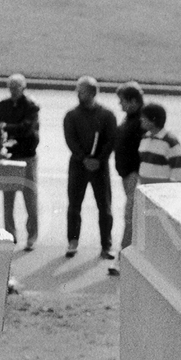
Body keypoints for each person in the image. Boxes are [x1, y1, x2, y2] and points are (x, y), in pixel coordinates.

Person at [63, 76, 117, 259]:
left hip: (100, 167)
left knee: (105, 206)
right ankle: (72, 241)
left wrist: (99, 160)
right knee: (74, 205)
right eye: (78, 91)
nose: (79, 94)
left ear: (93, 93)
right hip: (78, 165)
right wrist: (83, 158)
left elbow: (110, 141)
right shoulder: (71, 116)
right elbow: (71, 140)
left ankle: (106, 245)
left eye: (83, 91)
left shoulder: (107, 115)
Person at [0, 73, 40, 251]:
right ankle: (9, 234)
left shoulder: (31, 107)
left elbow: (27, 129)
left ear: (23, 88)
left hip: (27, 156)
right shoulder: (2, 105)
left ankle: (32, 236)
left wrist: (7, 127)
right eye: (10, 88)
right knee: (8, 197)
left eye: (16, 88)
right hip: (9, 156)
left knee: (30, 197)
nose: (13, 91)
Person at [111, 81, 145, 272]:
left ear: (133, 101)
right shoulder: (130, 118)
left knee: (130, 217)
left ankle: (122, 259)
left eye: (122, 101)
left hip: (134, 175)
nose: (120, 105)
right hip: (127, 175)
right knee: (131, 216)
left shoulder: (141, 121)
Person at [137, 103, 181, 185]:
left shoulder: (170, 142)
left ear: (153, 120)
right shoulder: (145, 138)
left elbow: (178, 172)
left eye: (144, 117)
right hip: (145, 189)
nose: (140, 119)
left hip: (161, 192)